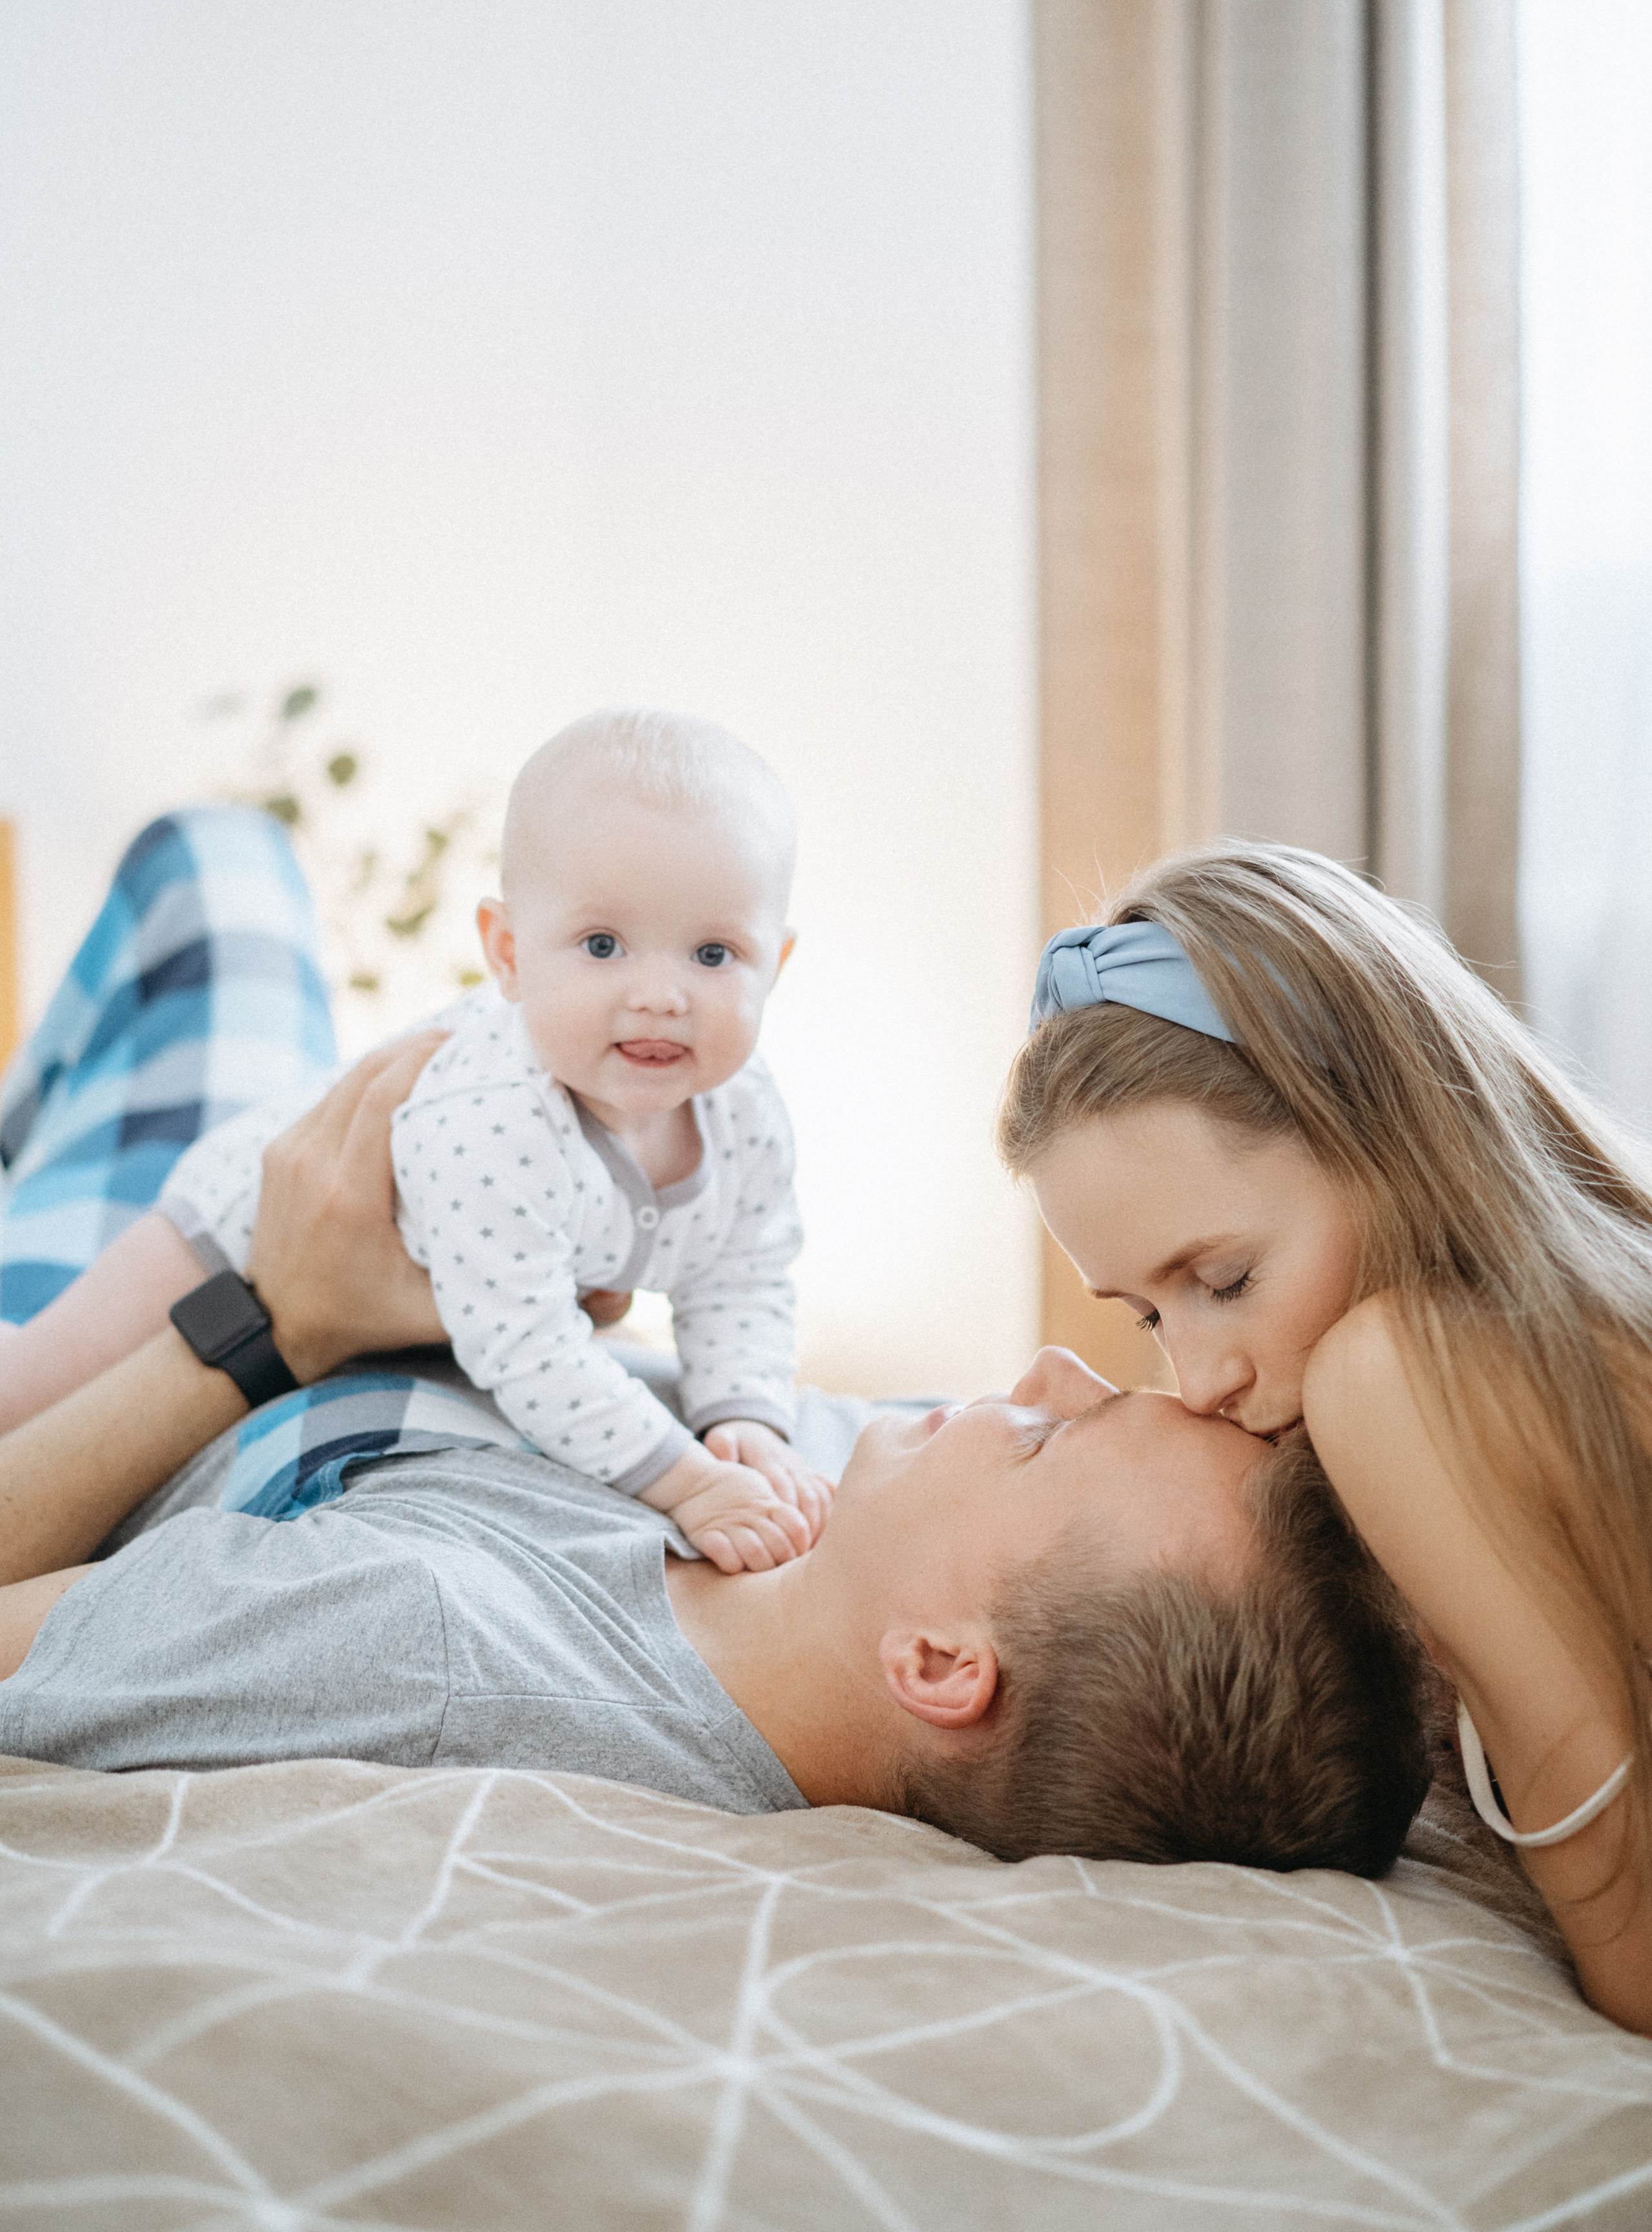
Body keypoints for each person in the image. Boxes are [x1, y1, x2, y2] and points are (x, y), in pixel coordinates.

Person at [0, 807, 1434, 1872]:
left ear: (938, 1665)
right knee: (222, 867)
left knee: (208, 873)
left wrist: (262, 1325)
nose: (1047, 1369)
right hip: (345, 1235)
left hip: (177, 1325)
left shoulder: (429, 1647)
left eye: (1050, 1434)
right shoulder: (861, 1505)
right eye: (1123, 1352)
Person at [1000, 847, 1652, 2033]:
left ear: (1382, 1135)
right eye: (1150, 1317)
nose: (1198, 1381)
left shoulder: (1390, 1374)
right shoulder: (1581, 1326)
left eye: (1226, 1278)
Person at [3, 710, 829, 1574]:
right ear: (507, 954)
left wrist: (744, 1419)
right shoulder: (502, 1116)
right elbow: (529, 1351)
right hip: (234, 1231)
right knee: (30, 1391)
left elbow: (745, 1274)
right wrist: (689, 1482)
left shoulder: (747, 1116)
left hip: (386, 1302)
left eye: (712, 953)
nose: (662, 993)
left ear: (776, 962)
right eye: (602, 945)